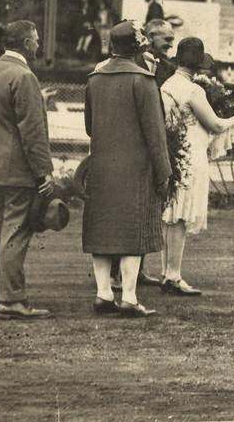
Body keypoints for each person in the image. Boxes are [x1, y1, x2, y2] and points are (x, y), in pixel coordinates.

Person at [83, 20, 171, 318]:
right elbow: (156, 134)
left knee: (101, 230)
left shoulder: (94, 78)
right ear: (136, 47)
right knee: (133, 231)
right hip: (136, 169)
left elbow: (89, 127)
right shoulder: (143, 81)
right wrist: (164, 173)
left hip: (101, 166)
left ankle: (103, 294)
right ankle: (130, 298)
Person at [0, 20, 55, 319]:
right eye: (36, 40)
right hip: (16, 168)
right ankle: (11, 299)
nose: (38, 44)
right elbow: (32, 131)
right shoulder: (24, 76)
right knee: (15, 231)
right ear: (25, 43)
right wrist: (44, 171)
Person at [159, 37, 234, 296]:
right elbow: (215, 125)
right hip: (191, 154)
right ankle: (173, 274)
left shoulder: (167, 85)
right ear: (197, 65)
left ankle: (167, 271)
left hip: (173, 150)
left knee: (171, 215)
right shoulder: (193, 90)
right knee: (181, 216)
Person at [142, 19, 176, 87]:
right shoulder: (132, 62)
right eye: (168, 39)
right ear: (151, 37)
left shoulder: (170, 69)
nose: (171, 45)